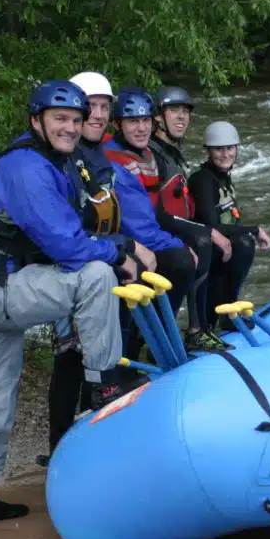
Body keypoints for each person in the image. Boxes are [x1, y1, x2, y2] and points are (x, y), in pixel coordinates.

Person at [0, 79, 156, 525]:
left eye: (77, 121)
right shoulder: (27, 166)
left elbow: (65, 234)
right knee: (96, 275)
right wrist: (121, 253)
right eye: (60, 119)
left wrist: (117, 243)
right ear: (35, 121)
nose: (71, 128)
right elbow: (68, 247)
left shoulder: (49, 162)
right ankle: (104, 385)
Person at [40, 72, 196, 465]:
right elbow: (67, 227)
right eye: (88, 106)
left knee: (100, 357)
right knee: (72, 358)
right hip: (75, 268)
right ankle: (61, 446)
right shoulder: (59, 158)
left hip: (104, 265)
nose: (95, 114)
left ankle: (93, 436)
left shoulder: (94, 157)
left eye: (102, 107)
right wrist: (125, 246)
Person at [103, 86, 229, 352]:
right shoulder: (115, 162)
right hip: (125, 240)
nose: (140, 128)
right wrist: (176, 244)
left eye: (144, 120)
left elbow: (153, 213)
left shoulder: (147, 154)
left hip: (144, 231)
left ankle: (176, 333)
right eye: (132, 121)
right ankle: (149, 342)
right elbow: (137, 223)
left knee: (200, 247)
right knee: (183, 260)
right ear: (118, 124)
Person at [188, 121, 270, 331]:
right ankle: (207, 324)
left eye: (229, 148)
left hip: (222, 253)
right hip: (207, 254)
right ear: (208, 151)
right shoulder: (203, 180)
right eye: (218, 149)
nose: (225, 154)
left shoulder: (222, 178)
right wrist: (254, 230)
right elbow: (210, 225)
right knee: (244, 243)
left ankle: (228, 313)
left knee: (242, 243)